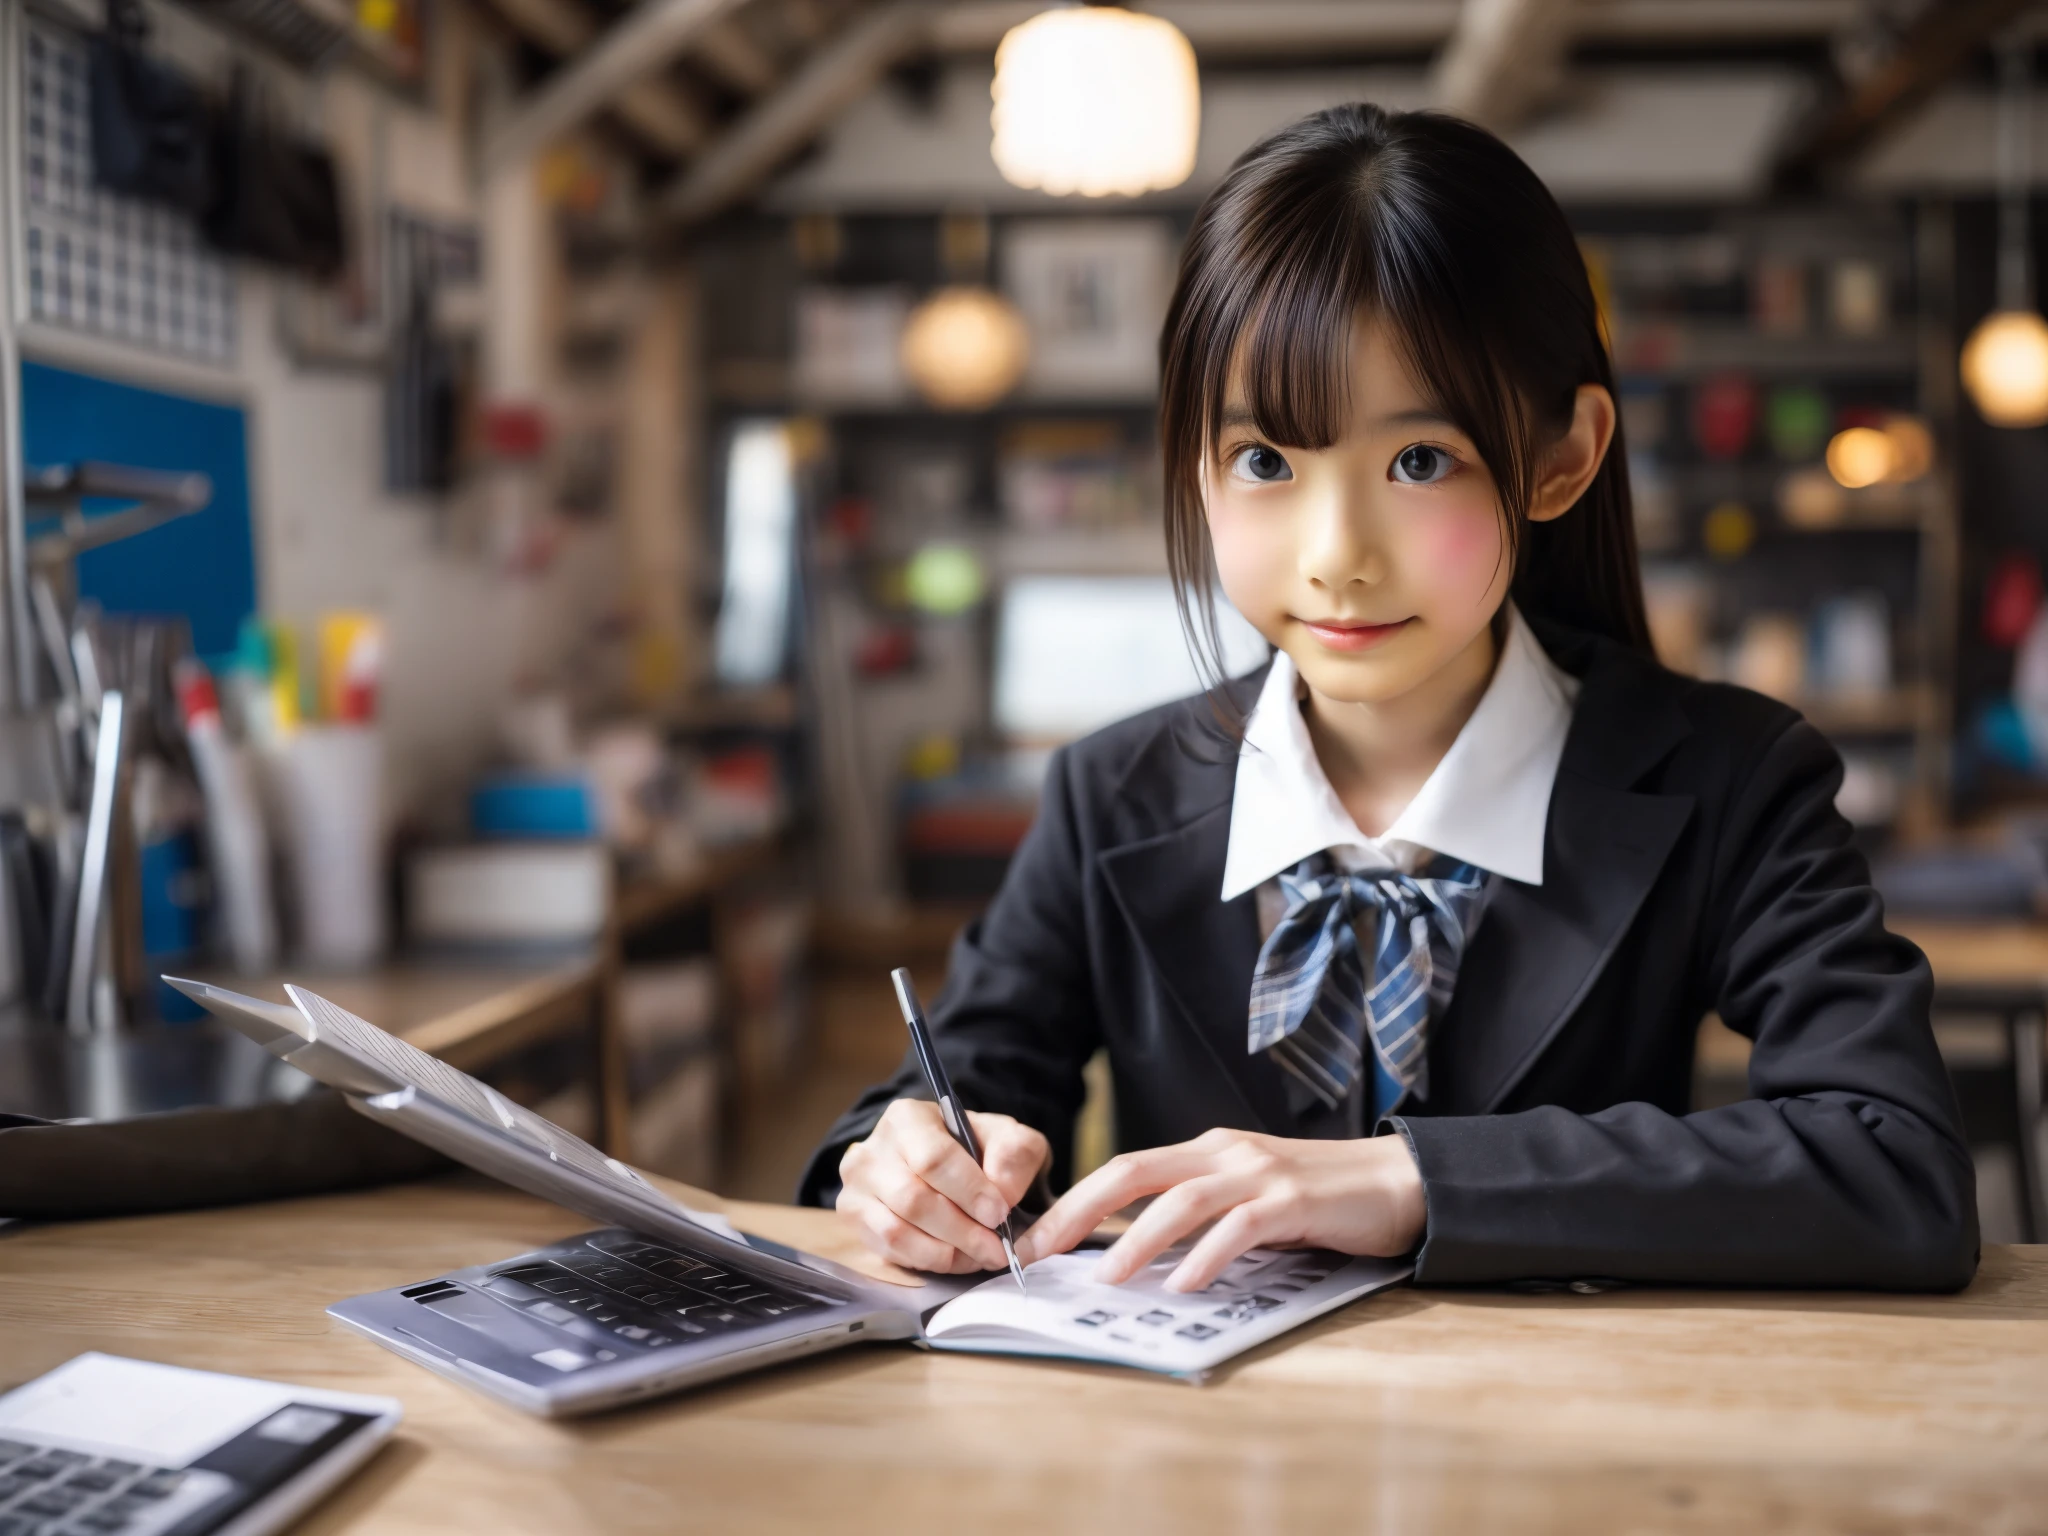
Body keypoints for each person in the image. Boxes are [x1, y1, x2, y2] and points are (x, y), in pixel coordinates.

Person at [798, 103, 1978, 1296]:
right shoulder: (1113, 792)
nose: (1336, 556)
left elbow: (1892, 1166)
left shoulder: (1727, 774)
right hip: (1195, 1454)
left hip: (1577, 1452)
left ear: (1560, 457)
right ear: (1193, 465)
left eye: (1419, 461)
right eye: (1264, 461)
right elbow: (958, 1089)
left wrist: (1412, 1179)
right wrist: (905, 1166)